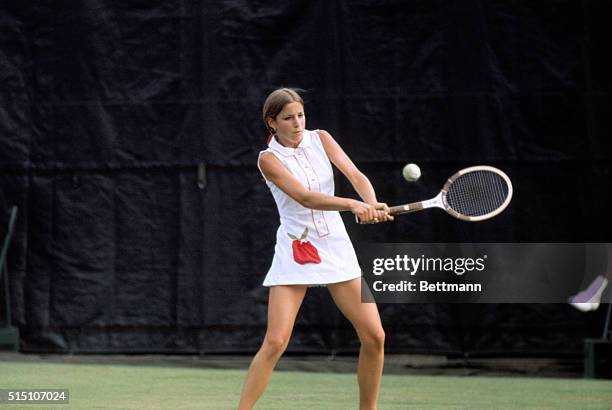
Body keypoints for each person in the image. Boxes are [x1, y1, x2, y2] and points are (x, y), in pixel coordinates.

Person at [237, 88, 393, 410]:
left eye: (300, 115)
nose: (297, 123)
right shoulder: (268, 160)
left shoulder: (321, 138)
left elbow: (354, 173)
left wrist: (371, 202)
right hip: (297, 248)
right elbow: (305, 198)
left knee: (375, 337)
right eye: (288, 118)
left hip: (335, 246)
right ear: (272, 122)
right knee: (276, 341)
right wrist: (352, 205)